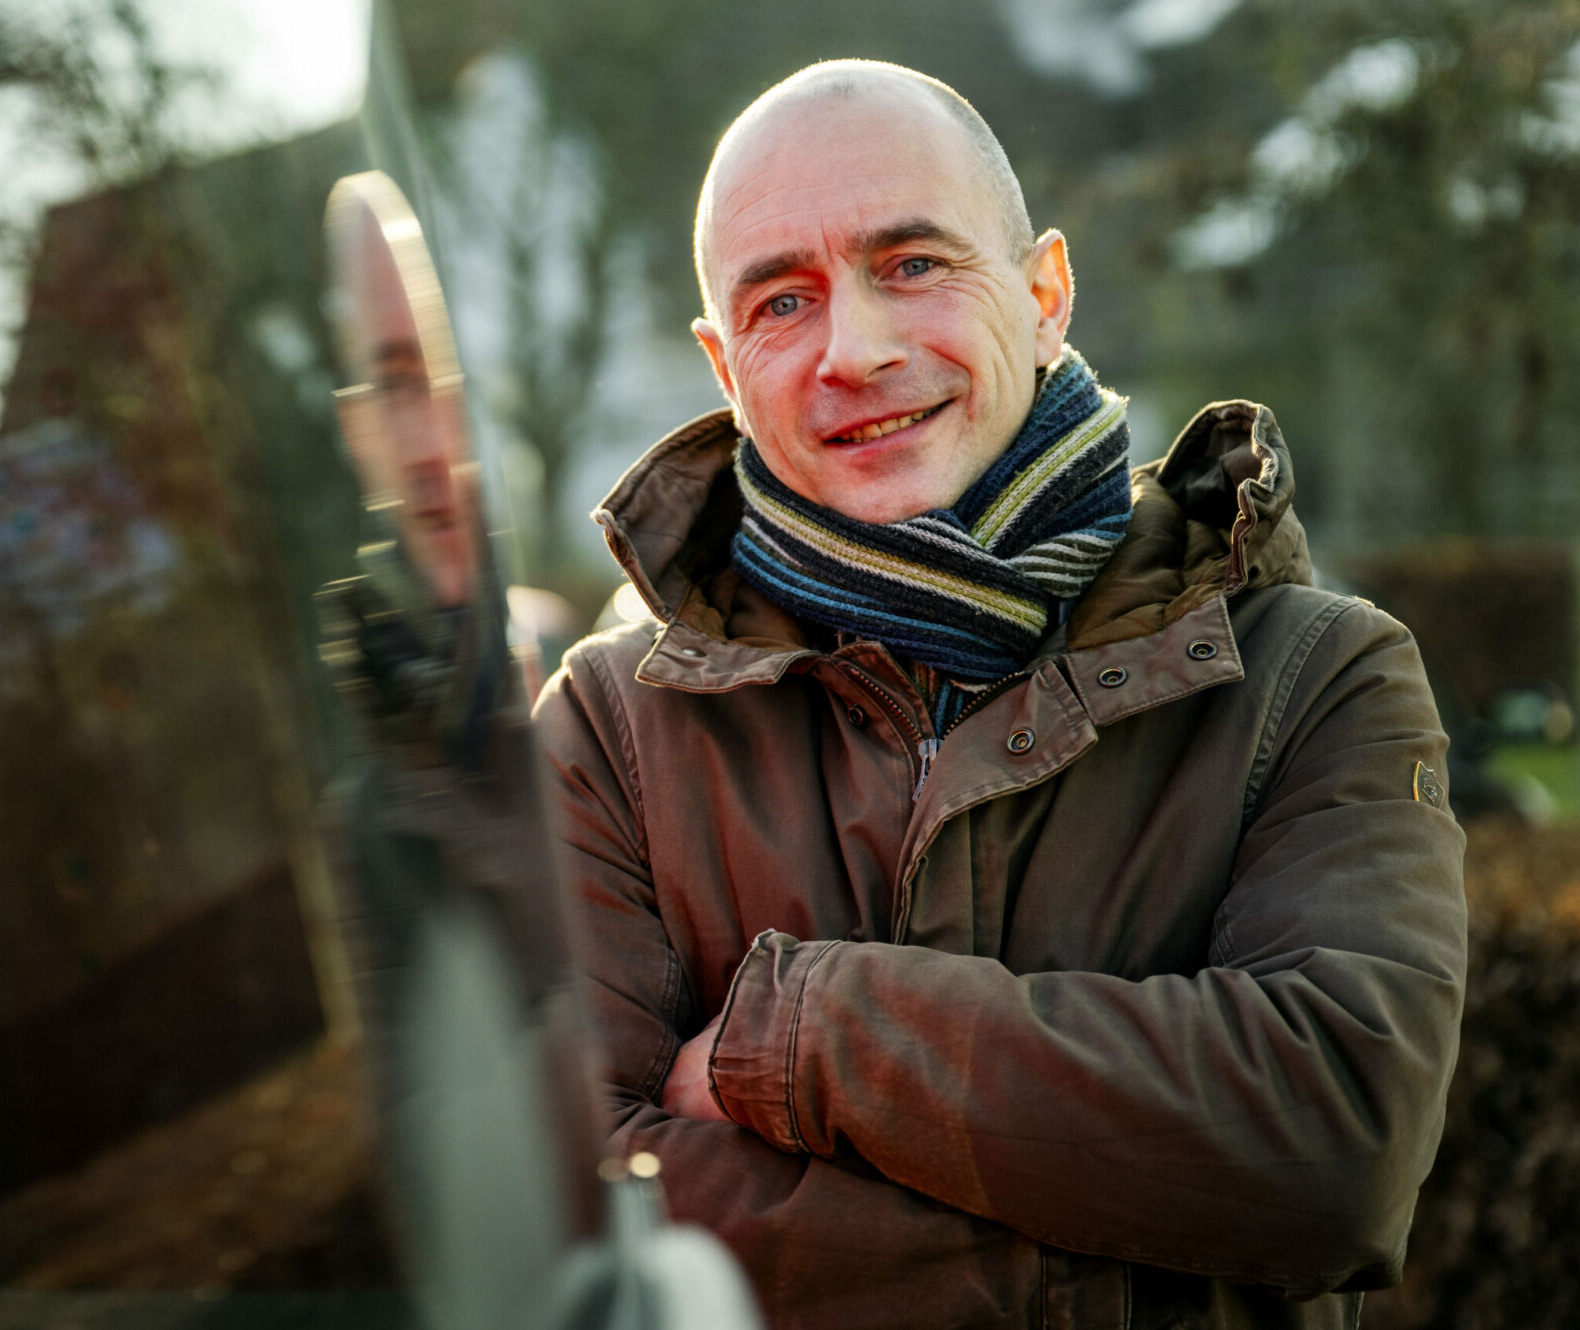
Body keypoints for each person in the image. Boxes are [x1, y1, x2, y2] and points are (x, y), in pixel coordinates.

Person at [532, 59, 1467, 1329]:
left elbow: (1338, 1153)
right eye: (782, 301)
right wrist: (1142, 1241)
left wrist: (802, 1035)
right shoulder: (608, 729)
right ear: (722, 365)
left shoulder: (1314, 674)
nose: (855, 349)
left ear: (1043, 294)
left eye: (913, 264)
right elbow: (573, 1211)